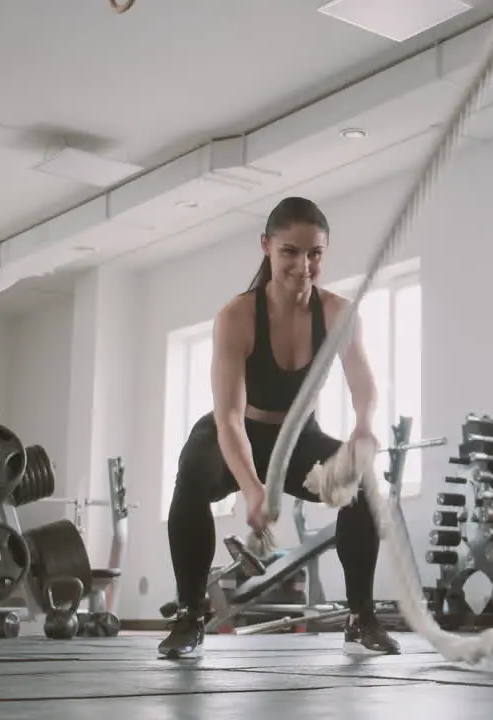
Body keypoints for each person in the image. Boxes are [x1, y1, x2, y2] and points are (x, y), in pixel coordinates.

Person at [159, 196, 399, 659]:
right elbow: (229, 416)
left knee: (364, 482)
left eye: (315, 254)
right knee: (191, 472)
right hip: (236, 432)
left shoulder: (337, 314)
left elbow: (364, 386)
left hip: (299, 437)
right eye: (290, 251)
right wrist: (250, 489)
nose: (303, 265)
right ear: (266, 247)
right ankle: (190, 616)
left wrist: (364, 427)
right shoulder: (238, 316)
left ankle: (360, 616)